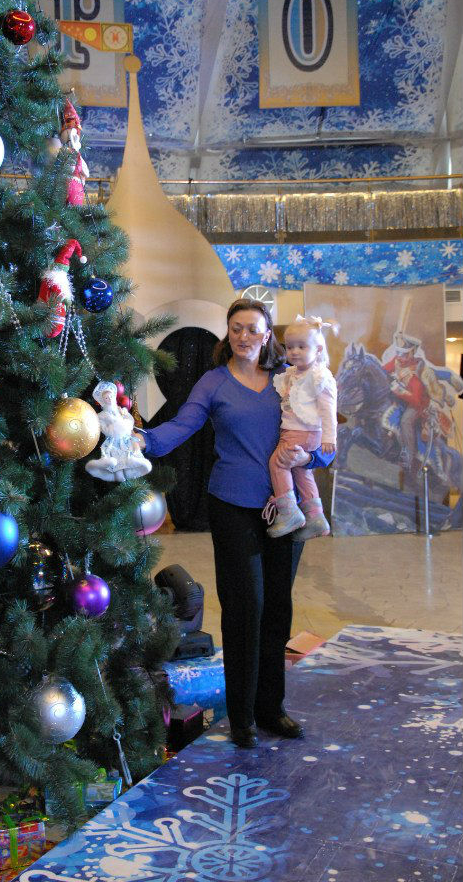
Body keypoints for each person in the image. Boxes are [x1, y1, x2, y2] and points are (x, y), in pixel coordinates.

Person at [134, 298, 334, 748]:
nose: (245, 336)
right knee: (246, 608)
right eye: (237, 328)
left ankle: (270, 709)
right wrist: (141, 440)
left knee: (278, 607)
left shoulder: (289, 379)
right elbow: (182, 425)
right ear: (228, 333)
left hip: (286, 508)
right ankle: (242, 716)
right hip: (232, 506)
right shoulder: (214, 381)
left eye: (253, 329)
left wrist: (314, 458)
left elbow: (320, 432)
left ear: (268, 336)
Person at [266, 315, 338, 539]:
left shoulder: (319, 376)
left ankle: (288, 512)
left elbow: (328, 410)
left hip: (302, 432)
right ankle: (316, 517)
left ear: (318, 349)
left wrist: (329, 438)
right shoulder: (293, 373)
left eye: (301, 346)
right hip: (298, 431)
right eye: (290, 347)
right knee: (301, 470)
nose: (294, 352)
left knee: (278, 463)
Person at [85, 380, 152, 482]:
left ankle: (131, 467)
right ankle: (118, 474)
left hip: (126, 438)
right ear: (102, 400)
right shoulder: (102, 415)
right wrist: (111, 429)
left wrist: (126, 420)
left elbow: (130, 419)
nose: (109, 399)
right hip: (114, 440)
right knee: (116, 457)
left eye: (111, 396)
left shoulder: (120, 410)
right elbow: (102, 427)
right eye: (106, 398)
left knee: (129, 451)